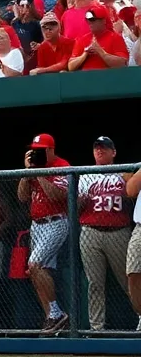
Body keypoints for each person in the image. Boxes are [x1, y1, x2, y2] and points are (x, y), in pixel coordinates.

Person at [77, 137, 134, 332]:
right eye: (97, 148)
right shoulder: (85, 174)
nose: (100, 151)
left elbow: (133, 194)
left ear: (113, 152)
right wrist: (79, 200)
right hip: (91, 232)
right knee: (94, 283)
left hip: (119, 232)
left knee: (130, 279)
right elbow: (76, 208)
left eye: (104, 148)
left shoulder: (123, 173)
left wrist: (128, 179)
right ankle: (96, 328)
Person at [16, 134, 72, 334]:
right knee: (37, 271)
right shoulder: (33, 168)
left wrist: (39, 174)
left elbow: (57, 195)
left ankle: (56, 314)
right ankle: (52, 317)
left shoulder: (62, 166)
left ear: (50, 150)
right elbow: (22, 197)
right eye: (34, 150)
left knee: (34, 264)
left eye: (40, 150)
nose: (36, 153)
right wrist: (27, 172)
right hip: (37, 225)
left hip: (56, 221)